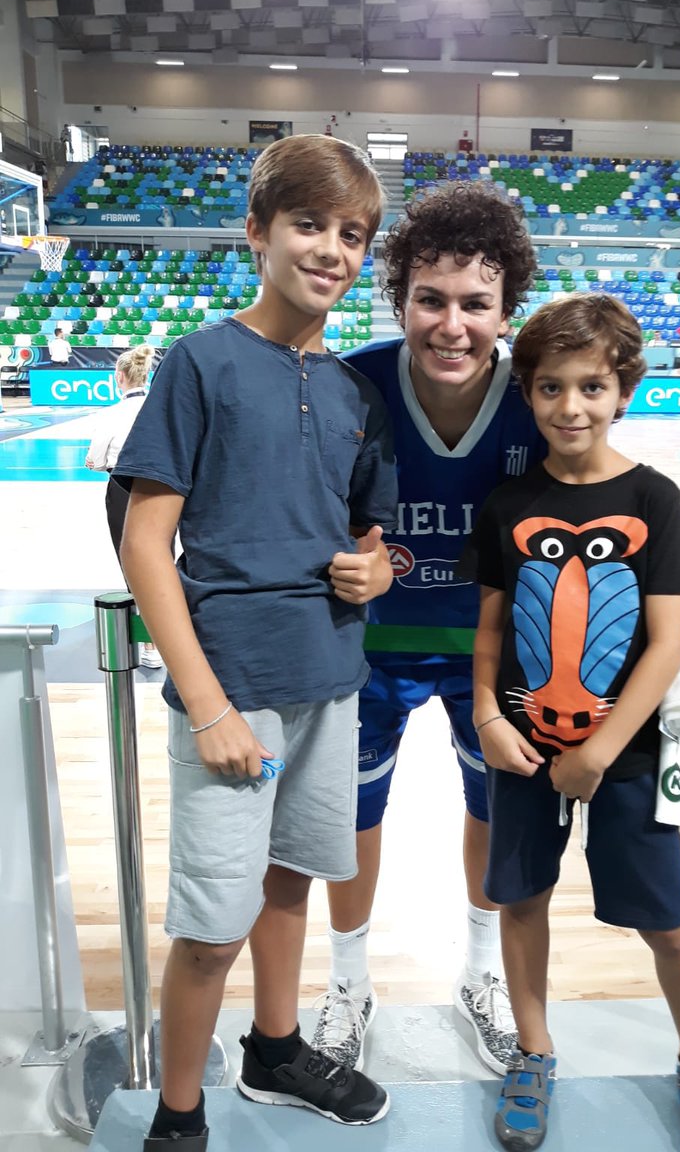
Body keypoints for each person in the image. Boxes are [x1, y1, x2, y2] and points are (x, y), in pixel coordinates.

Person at [113, 134, 399, 1151]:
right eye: (309, 224)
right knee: (209, 925)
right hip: (235, 690)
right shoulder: (202, 361)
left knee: (289, 880)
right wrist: (208, 706)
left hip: (331, 677)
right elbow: (148, 544)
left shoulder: (356, 393)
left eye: (352, 234)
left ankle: (276, 1049)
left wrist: (381, 569)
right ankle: (178, 1116)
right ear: (259, 231)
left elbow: (371, 535)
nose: (331, 248)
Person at [462, 292, 680, 1152]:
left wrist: (599, 750)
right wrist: (483, 715)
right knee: (520, 898)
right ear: (528, 394)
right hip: (521, 746)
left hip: (624, 759)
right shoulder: (508, 502)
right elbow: (493, 630)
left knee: (665, 916)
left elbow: (666, 644)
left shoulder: (655, 498)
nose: (570, 407)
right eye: (550, 388)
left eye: (590, 387)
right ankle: (534, 1051)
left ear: (624, 389)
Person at [311, 182, 544, 1076]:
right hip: (368, 647)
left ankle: (481, 973)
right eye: (430, 300)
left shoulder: (538, 394)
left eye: (476, 304)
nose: (452, 324)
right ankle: (347, 984)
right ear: (401, 297)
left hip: (493, 651)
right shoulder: (351, 382)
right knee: (353, 814)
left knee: (493, 807)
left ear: (506, 308)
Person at [85, 343, 162, 669]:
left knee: (133, 563)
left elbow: (96, 459)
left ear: (119, 377)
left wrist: (94, 463)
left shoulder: (111, 415)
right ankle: (165, 637)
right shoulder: (160, 407)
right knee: (162, 560)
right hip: (161, 491)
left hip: (122, 488)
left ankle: (149, 644)